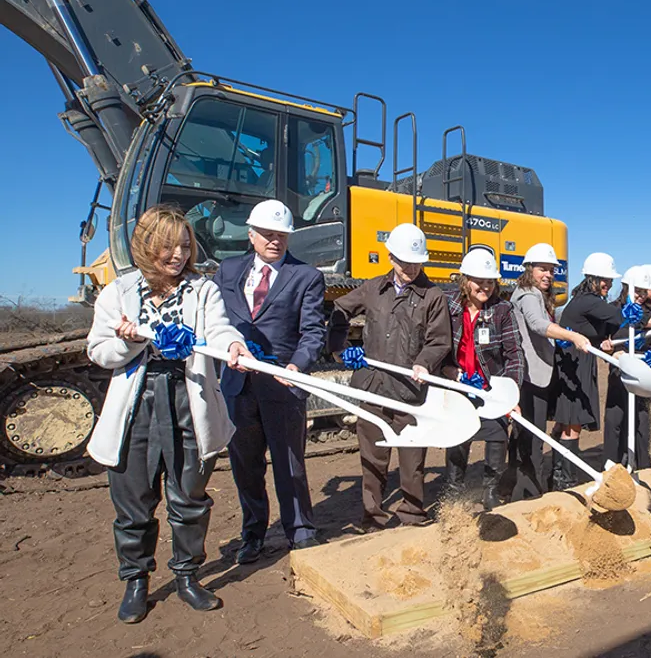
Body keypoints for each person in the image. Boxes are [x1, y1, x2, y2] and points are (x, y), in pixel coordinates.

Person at [86, 206, 251, 623]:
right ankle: (136, 581)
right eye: (167, 246)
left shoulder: (202, 289)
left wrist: (232, 346)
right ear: (146, 246)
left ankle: (187, 576)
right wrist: (128, 343)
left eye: (184, 245)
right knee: (134, 502)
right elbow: (100, 351)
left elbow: (218, 329)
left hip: (187, 399)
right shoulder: (119, 293)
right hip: (137, 403)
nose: (178, 254)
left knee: (189, 497)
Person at [214, 200, 326, 564]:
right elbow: (214, 320)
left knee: (289, 462)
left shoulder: (306, 277)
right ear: (251, 234)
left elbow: (312, 332)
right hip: (238, 385)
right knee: (245, 465)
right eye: (267, 234)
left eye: (281, 235)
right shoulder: (228, 272)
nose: (274, 241)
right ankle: (253, 533)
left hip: (282, 386)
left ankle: (301, 532)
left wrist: (297, 366)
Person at [327, 223, 452, 531]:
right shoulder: (373, 288)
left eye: (416, 261)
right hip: (373, 387)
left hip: (410, 391)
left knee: (412, 461)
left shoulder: (432, 296)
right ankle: (373, 518)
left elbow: (439, 340)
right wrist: (341, 351)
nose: (410, 267)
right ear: (391, 258)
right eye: (404, 261)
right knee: (373, 460)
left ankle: (412, 513)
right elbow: (339, 311)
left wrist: (424, 363)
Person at [445, 248, 526, 509]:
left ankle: (491, 491)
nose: (485, 288)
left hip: (491, 387)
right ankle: (455, 491)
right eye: (479, 282)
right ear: (465, 280)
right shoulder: (448, 306)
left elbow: (514, 354)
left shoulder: (502, 310)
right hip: (457, 386)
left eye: (490, 282)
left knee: (496, 434)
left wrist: (511, 393)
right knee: (458, 437)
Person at [508, 244, 590, 500]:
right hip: (531, 377)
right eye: (542, 268)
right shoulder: (528, 295)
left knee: (525, 433)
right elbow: (537, 324)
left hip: (533, 374)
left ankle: (513, 485)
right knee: (531, 434)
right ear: (529, 269)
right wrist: (571, 335)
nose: (548, 274)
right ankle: (527, 492)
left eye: (551, 270)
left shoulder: (533, 294)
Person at [552, 252, 626, 489]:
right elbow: (618, 317)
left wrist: (602, 340)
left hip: (577, 364)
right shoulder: (588, 300)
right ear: (593, 278)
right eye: (606, 279)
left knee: (567, 422)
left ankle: (557, 474)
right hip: (573, 368)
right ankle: (565, 480)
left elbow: (596, 329)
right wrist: (648, 318)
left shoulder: (585, 300)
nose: (610, 284)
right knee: (572, 422)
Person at [603, 266, 651, 468]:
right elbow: (609, 338)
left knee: (642, 422)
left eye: (643, 292)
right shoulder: (612, 310)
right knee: (615, 421)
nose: (640, 296)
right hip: (620, 372)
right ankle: (612, 467)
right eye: (637, 291)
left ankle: (644, 467)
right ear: (626, 288)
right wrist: (610, 350)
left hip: (645, 373)